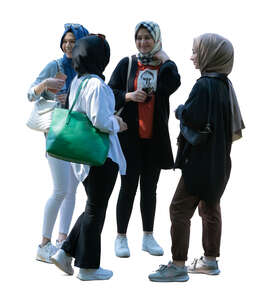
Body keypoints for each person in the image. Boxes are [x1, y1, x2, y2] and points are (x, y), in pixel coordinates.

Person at [148, 33, 245, 282]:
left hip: (199, 161)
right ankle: (210, 261)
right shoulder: (225, 85)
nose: (193, 56)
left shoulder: (204, 85)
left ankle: (178, 265)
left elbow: (191, 115)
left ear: (210, 55)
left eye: (196, 51)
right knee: (210, 207)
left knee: (178, 210)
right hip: (220, 161)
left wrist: (180, 110)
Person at [50, 35, 127, 281]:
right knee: (96, 211)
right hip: (100, 157)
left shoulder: (79, 82)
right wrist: (119, 122)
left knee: (92, 206)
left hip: (82, 157)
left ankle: (66, 251)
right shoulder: (98, 86)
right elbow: (101, 121)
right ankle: (88, 268)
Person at [108, 21, 181, 257]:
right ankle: (121, 237)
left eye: (148, 37)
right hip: (130, 137)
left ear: (157, 39)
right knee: (128, 187)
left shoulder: (164, 68)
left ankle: (148, 237)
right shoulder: (127, 64)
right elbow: (109, 94)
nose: (142, 42)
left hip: (154, 138)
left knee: (150, 189)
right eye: (139, 37)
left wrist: (166, 59)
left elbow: (174, 84)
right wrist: (128, 96)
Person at [27, 23, 89, 263]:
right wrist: (46, 87)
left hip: (76, 133)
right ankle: (43, 244)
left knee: (72, 190)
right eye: (66, 41)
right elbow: (30, 94)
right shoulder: (56, 66)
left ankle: (62, 241)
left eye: (73, 41)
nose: (68, 45)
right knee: (60, 189)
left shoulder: (84, 70)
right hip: (56, 131)